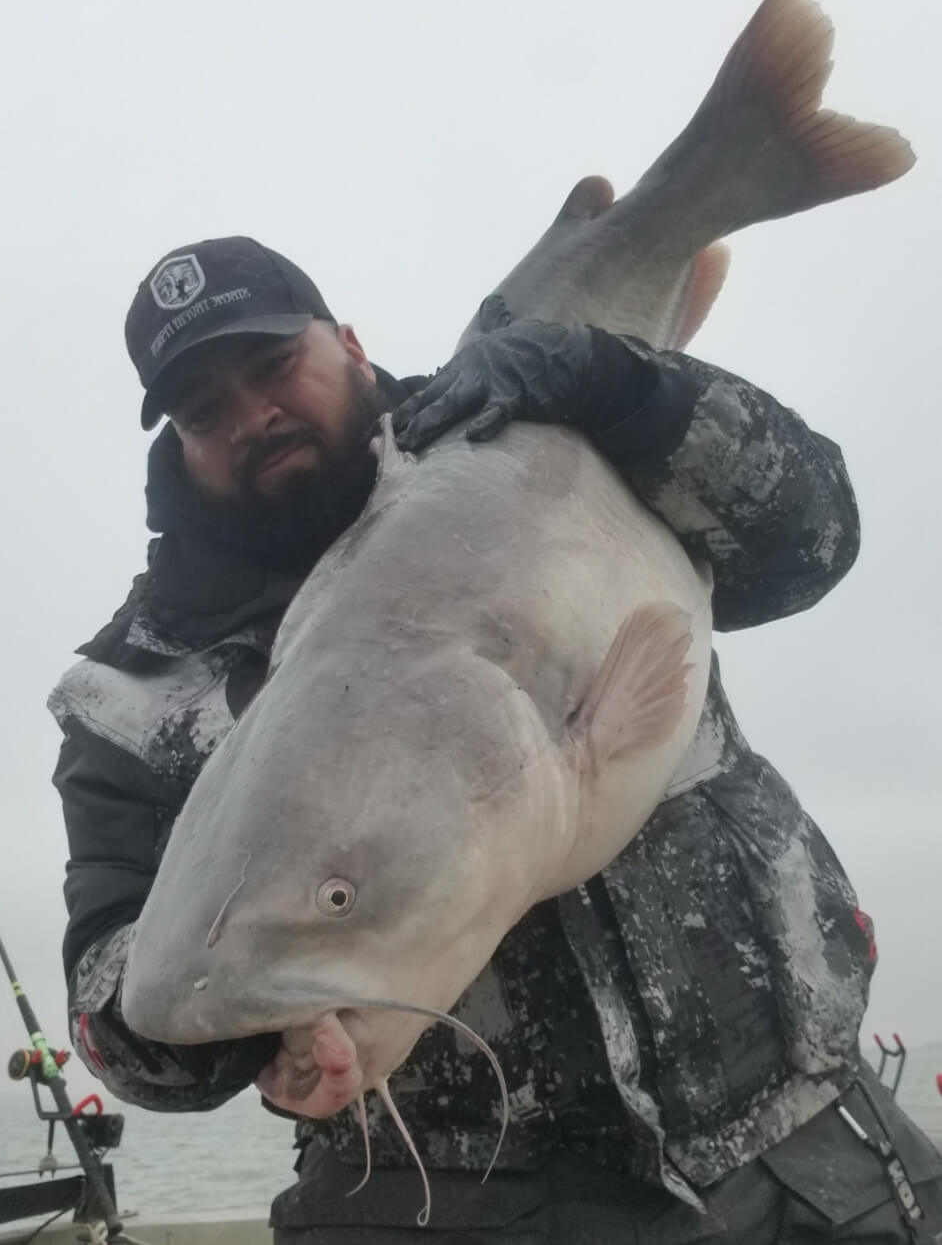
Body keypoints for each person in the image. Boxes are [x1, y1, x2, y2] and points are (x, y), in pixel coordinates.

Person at [49, 236, 942, 1244]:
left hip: (811, 1145)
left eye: (273, 364)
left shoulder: (547, 425)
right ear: (175, 439)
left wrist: (623, 388)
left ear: (348, 343)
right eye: (203, 411)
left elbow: (807, 545)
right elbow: (107, 994)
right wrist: (245, 1015)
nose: (252, 416)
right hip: (439, 1202)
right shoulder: (128, 692)